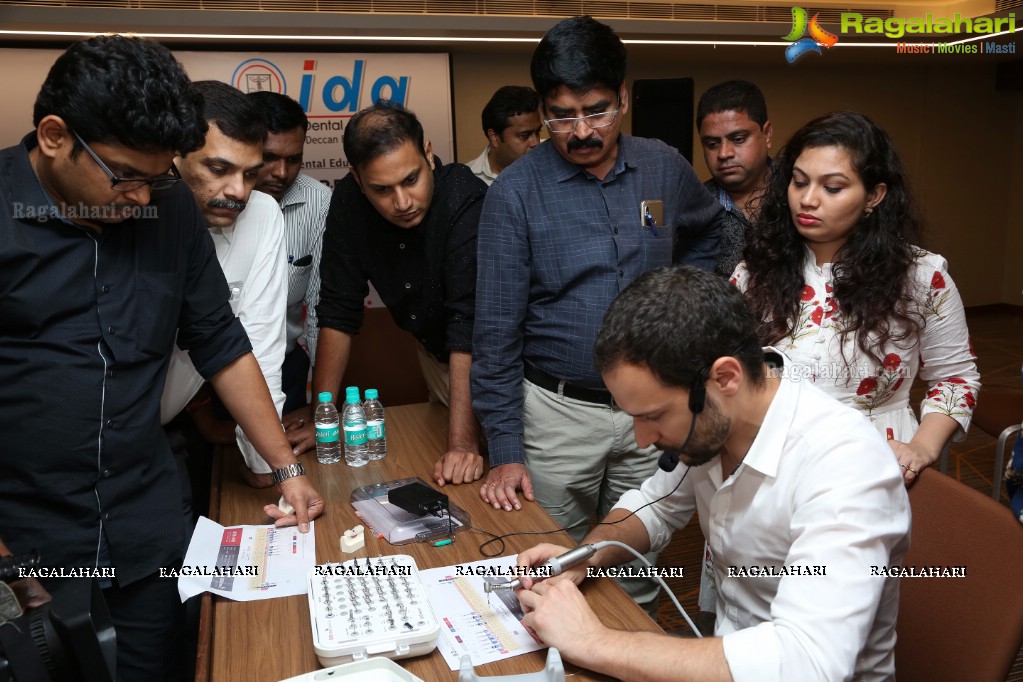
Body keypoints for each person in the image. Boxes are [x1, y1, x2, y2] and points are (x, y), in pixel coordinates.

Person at [0, 36, 322, 681]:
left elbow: (221, 343)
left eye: (158, 177)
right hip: (27, 535)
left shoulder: (169, 208)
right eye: (126, 176)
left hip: (143, 522)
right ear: (56, 135)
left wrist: (286, 469)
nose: (144, 198)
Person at [515, 265, 911, 681]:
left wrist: (592, 640)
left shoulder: (845, 465)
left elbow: (806, 663)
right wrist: (584, 557)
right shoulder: (717, 421)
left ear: (725, 378)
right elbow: (655, 507)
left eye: (653, 415)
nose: (643, 438)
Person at [470, 15, 722, 610]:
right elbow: (496, 332)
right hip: (558, 416)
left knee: (634, 564)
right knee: (545, 561)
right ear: (542, 109)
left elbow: (707, 232)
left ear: (625, 98)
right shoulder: (514, 193)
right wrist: (505, 449)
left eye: (598, 111)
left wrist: (687, 304)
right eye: (561, 115)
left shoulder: (662, 165)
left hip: (653, 413)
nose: (581, 131)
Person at [732, 111, 980, 484]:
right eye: (799, 182)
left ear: (874, 195)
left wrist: (922, 448)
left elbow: (956, 378)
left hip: (873, 461)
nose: (808, 200)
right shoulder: (756, 270)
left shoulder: (920, 276)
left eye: (832, 188)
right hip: (768, 457)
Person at [310, 100, 488, 486]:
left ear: (428, 153)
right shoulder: (348, 202)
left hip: (490, 357)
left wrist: (462, 442)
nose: (402, 202)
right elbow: (338, 310)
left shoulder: (463, 194)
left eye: (411, 180)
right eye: (382, 189)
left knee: (487, 463)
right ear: (357, 180)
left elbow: (468, 323)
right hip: (436, 355)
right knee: (438, 464)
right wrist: (319, 420)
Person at [162, 80, 289, 490]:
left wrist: (266, 463)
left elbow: (261, 347)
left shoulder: (264, 214)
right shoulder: (136, 211)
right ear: (174, 155)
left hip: (166, 430)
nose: (238, 191)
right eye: (218, 169)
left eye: (250, 174)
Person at [248, 91, 332, 427]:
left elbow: (319, 310)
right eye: (268, 157)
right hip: (209, 375)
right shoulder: (214, 199)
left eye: (293, 159)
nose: (282, 172)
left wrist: (321, 409)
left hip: (285, 368)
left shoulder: (318, 202)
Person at [696, 79, 773, 276]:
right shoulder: (695, 208)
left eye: (738, 139)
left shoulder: (800, 194)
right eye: (712, 144)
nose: (724, 153)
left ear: (767, 134)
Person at [466, 85, 542, 185]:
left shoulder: (552, 162)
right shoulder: (467, 179)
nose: (536, 142)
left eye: (537, 132)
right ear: (494, 137)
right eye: (524, 135)